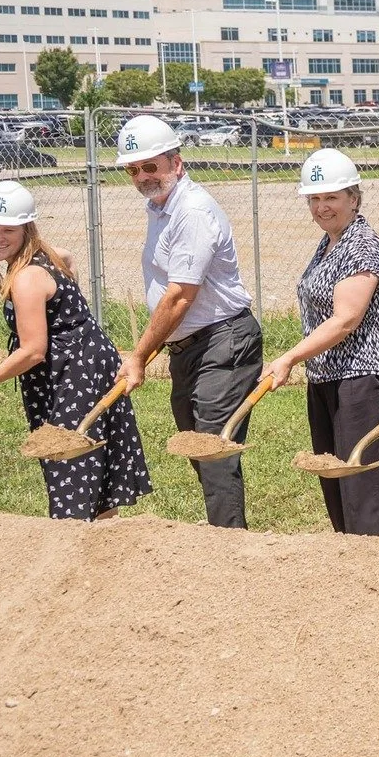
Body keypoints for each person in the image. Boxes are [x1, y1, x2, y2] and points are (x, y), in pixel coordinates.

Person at [0, 179, 150, 520]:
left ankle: (72, 543)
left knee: (69, 463)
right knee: (95, 462)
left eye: (8, 230)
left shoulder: (26, 278)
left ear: (26, 229)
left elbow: (33, 350)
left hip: (72, 374)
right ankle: (104, 539)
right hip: (91, 361)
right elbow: (69, 258)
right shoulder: (48, 256)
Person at [115, 114, 264, 529]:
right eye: (134, 169)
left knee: (212, 443)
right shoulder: (162, 206)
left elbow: (180, 296)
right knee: (193, 439)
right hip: (190, 347)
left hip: (224, 340)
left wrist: (139, 355)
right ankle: (223, 527)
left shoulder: (193, 210)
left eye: (151, 166)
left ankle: (228, 543)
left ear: (176, 163)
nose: (143, 176)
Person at [264, 150, 379, 536]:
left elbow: (345, 319)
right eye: (314, 198)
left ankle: (378, 574)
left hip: (365, 378)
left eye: (331, 197)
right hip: (329, 377)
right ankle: (349, 573)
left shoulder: (362, 246)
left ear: (354, 199)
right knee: (338, 484)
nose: (321, 206)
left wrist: (290, 357)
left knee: (365, 491)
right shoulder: (330, 243)